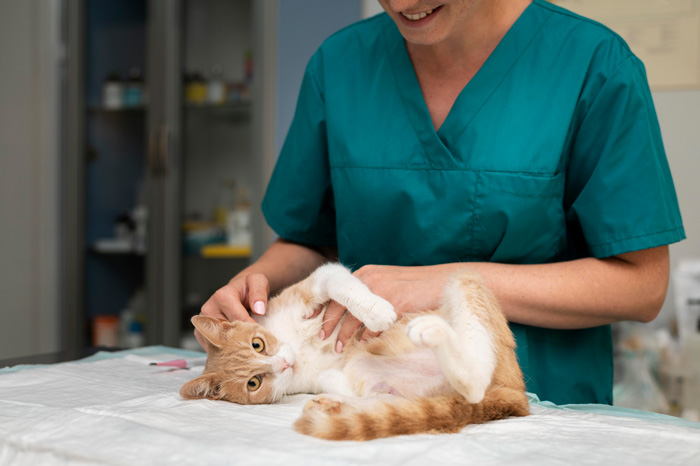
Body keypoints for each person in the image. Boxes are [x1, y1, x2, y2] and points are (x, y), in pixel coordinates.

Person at [198, 0, 685, 405]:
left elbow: (642, 285)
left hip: (530, 410)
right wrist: (253, 286)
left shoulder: (593, 66)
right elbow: (309, 239)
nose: (405, 4)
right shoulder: (339, 65)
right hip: (364, 399)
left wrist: (443, 283)